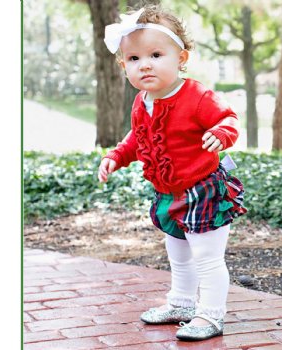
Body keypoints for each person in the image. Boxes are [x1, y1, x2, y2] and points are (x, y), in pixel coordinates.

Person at [98, 5, 247, 341]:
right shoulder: (142, 101)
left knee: (207, 258)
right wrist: (116, 156)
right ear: (124, 66)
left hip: (202, 190)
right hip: (168, 193)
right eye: (134, 59)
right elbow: (137, 138)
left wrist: (221, 133)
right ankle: (181, 303)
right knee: (178, 254)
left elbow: (229, 119)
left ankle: (210, 316)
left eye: (155, 54)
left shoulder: (196, 96)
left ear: (181, 58)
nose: (145, 64)